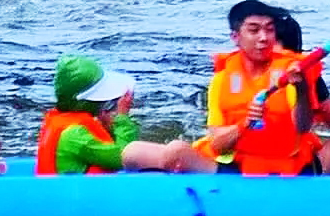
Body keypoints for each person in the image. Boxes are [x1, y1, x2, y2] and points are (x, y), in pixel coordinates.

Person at [197, 0, 330, 175]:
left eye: (269, 31)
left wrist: (304, 89)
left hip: (288, 167)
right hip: (241, 166)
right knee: (177, 151)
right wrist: (245, 123)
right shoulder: (222, 79)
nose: (263, 39)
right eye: (254, 30)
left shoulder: (301, 74)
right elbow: (217, 144)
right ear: (236, 37)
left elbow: (316, 126)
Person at [36, 56, 210, 173]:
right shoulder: (74, 134)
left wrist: (108, 127)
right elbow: (124, 157)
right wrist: (122, 118)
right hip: (74, 197)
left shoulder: (68, 125)